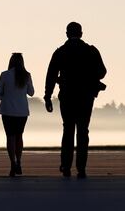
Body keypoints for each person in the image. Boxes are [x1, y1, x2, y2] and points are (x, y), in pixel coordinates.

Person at [44, 21, 107, 179]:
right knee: (83, 131)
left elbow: (51, 75)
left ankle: (66, 166)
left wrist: (47, 96)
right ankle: (81, 168)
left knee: (68, 130)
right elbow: (102, 72)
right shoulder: (91, 51)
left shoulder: (60, 52)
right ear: (81, 33)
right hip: (86, 97)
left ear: (66, 34)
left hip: (67, 96)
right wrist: (89, 77)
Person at [0, 53, 34, 177]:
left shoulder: (5, 75)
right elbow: (31, 92)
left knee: (10, 137)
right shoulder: (26, 75)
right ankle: (19, 161)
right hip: (22, 111)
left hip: (7, 110)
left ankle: (12, 163)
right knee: (19, 136)